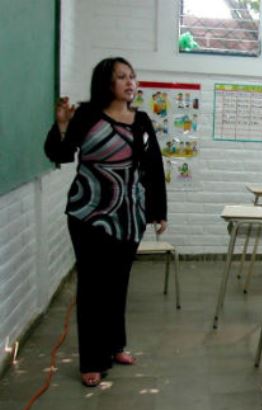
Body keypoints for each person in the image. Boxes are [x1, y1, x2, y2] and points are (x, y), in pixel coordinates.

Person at [43, 57, 167, 387]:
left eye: (132, 76)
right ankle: (92, 360)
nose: (130, 82)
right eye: (122, 77)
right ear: (106, 83)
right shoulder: (87, 115)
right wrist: (62, 126)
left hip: (129, 216)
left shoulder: (141, 120)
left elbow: (153, 167)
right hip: (89, 214)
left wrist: (158, 211)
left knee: (117, 284)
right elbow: (60, 154)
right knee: (92, 287)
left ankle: (115, 346)